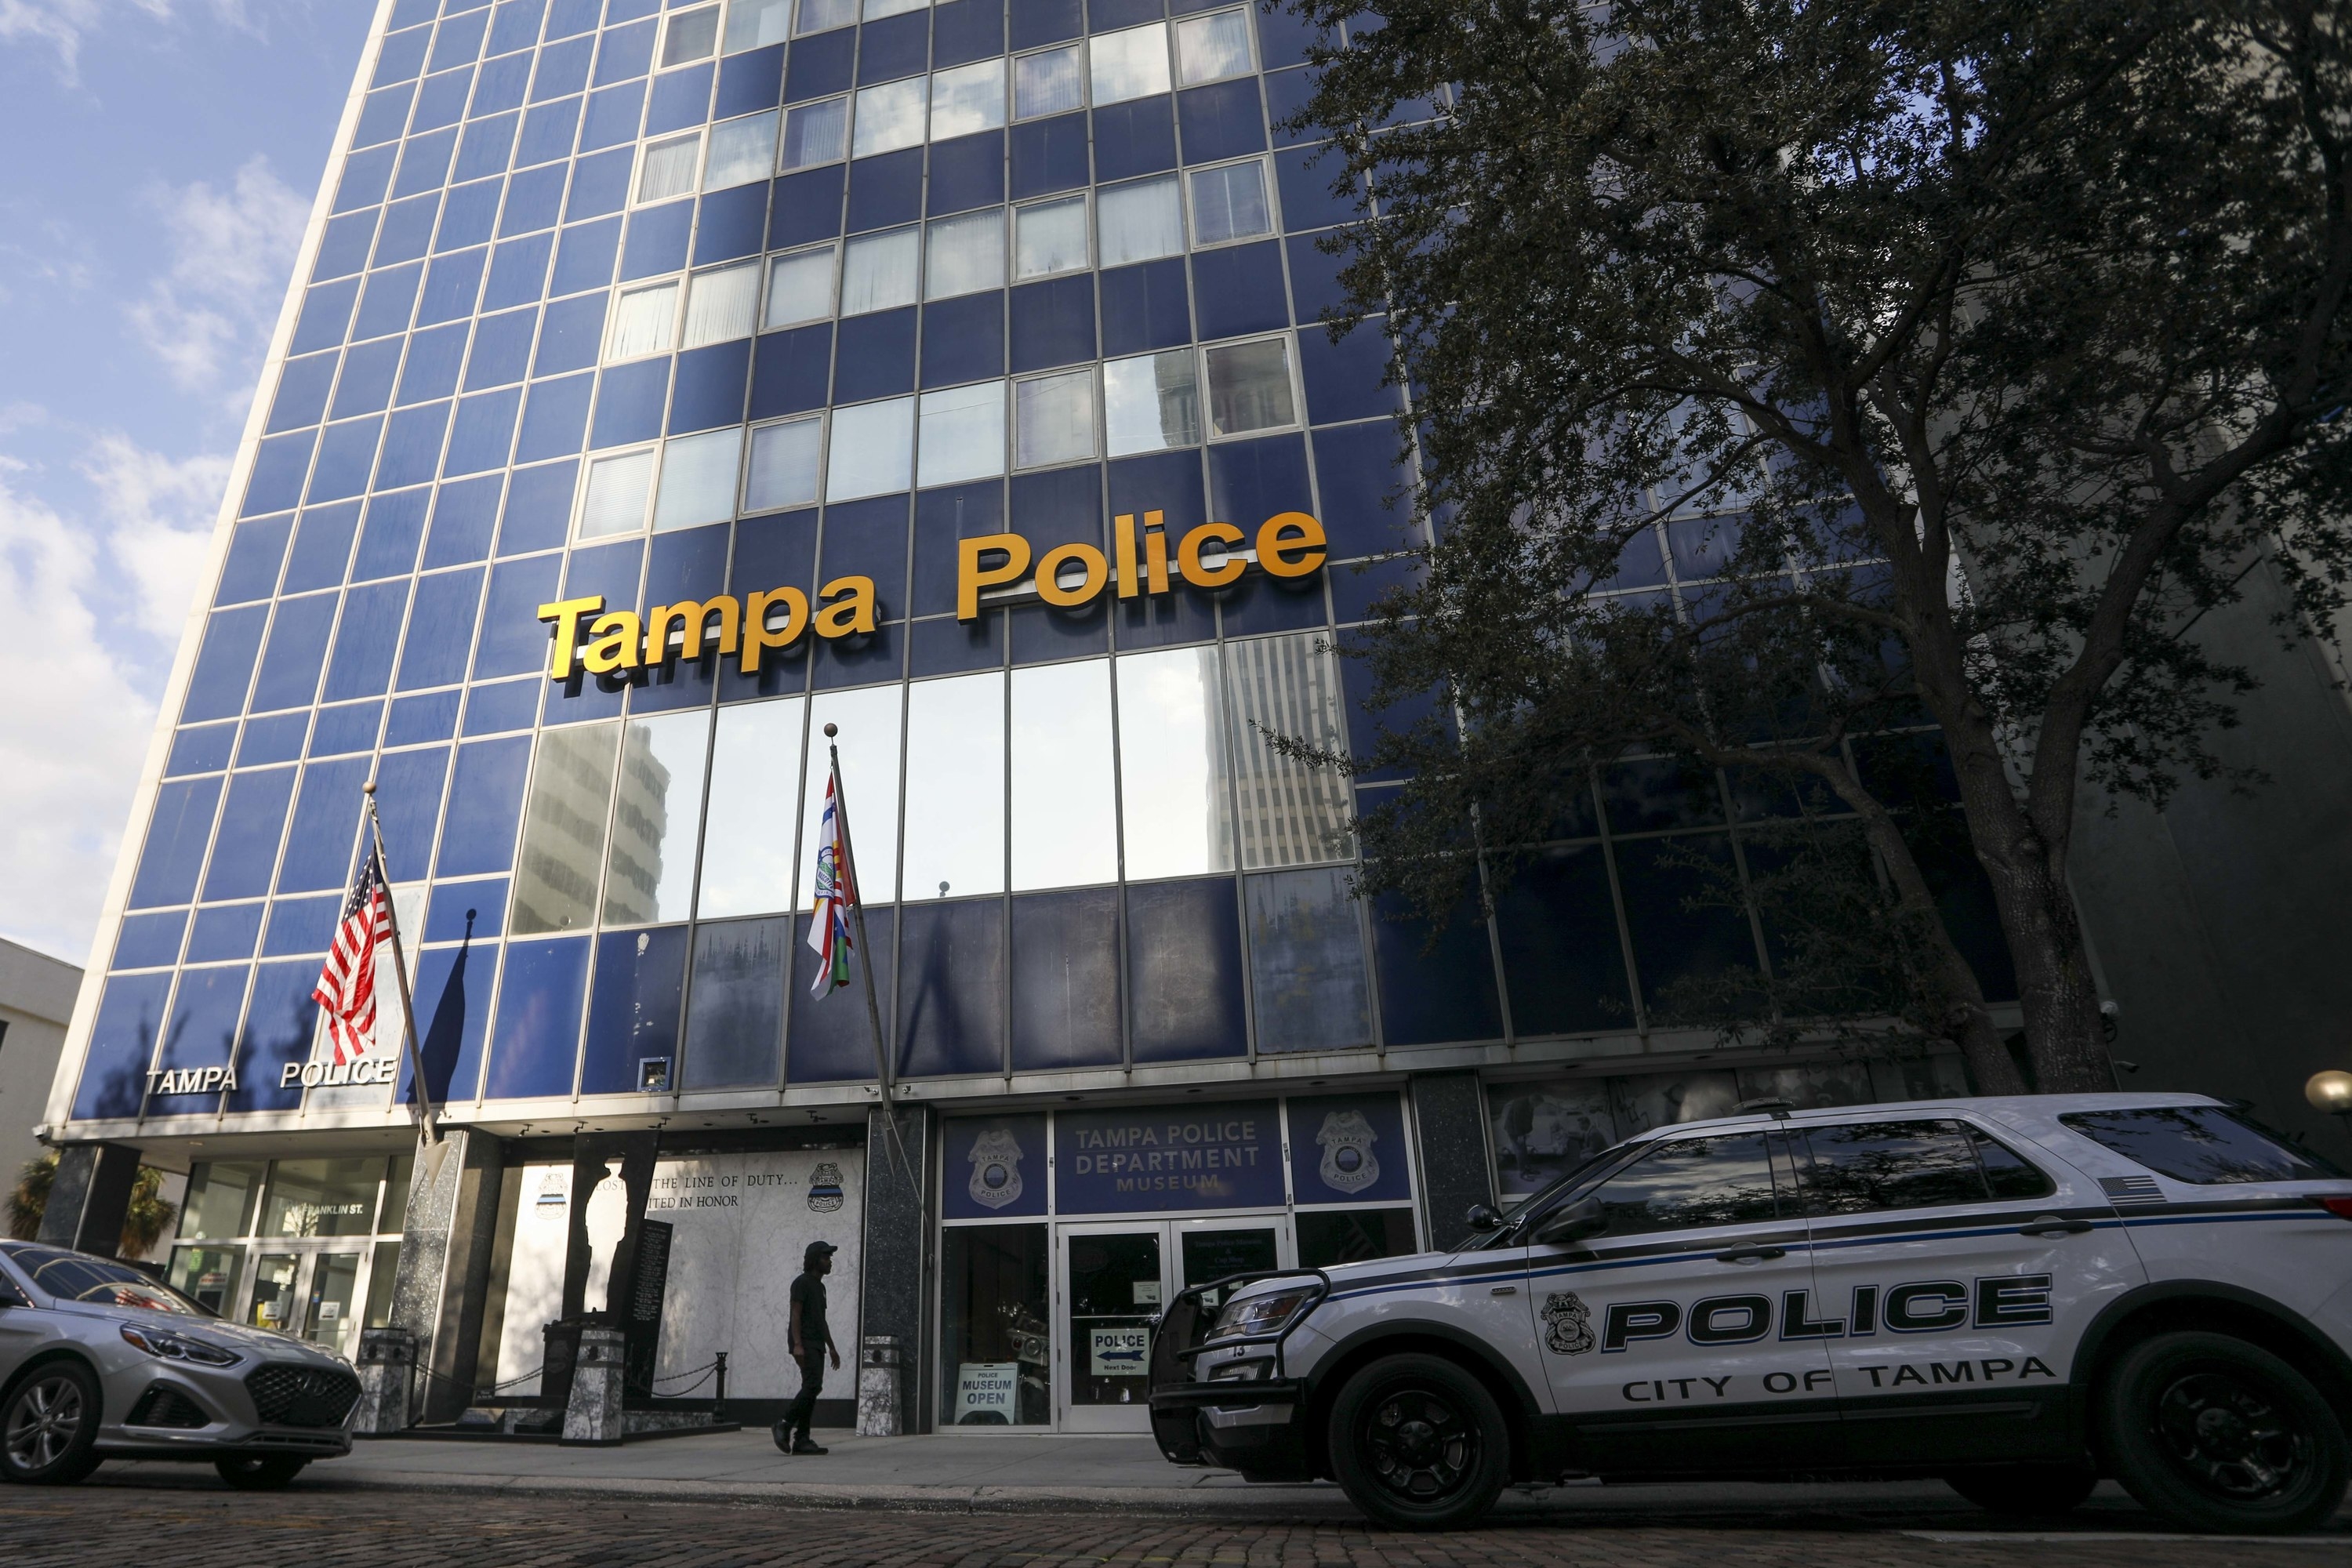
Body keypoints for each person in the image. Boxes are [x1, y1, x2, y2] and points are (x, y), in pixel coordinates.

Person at [775, 1240, 840, 1454]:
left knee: (812, 1388)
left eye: (830, 1257)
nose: (829, 1261)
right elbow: (795, 1313)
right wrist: (798, 1345)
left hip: (817, 1343)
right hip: (804, 1342)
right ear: (814, 1260)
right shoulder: (801, 1283)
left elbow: (822, 1320)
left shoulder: (820, 1288)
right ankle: (784, 1423)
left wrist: (831, 1347)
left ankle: (802, 1439)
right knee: (813, 1385)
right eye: (825, 1257)